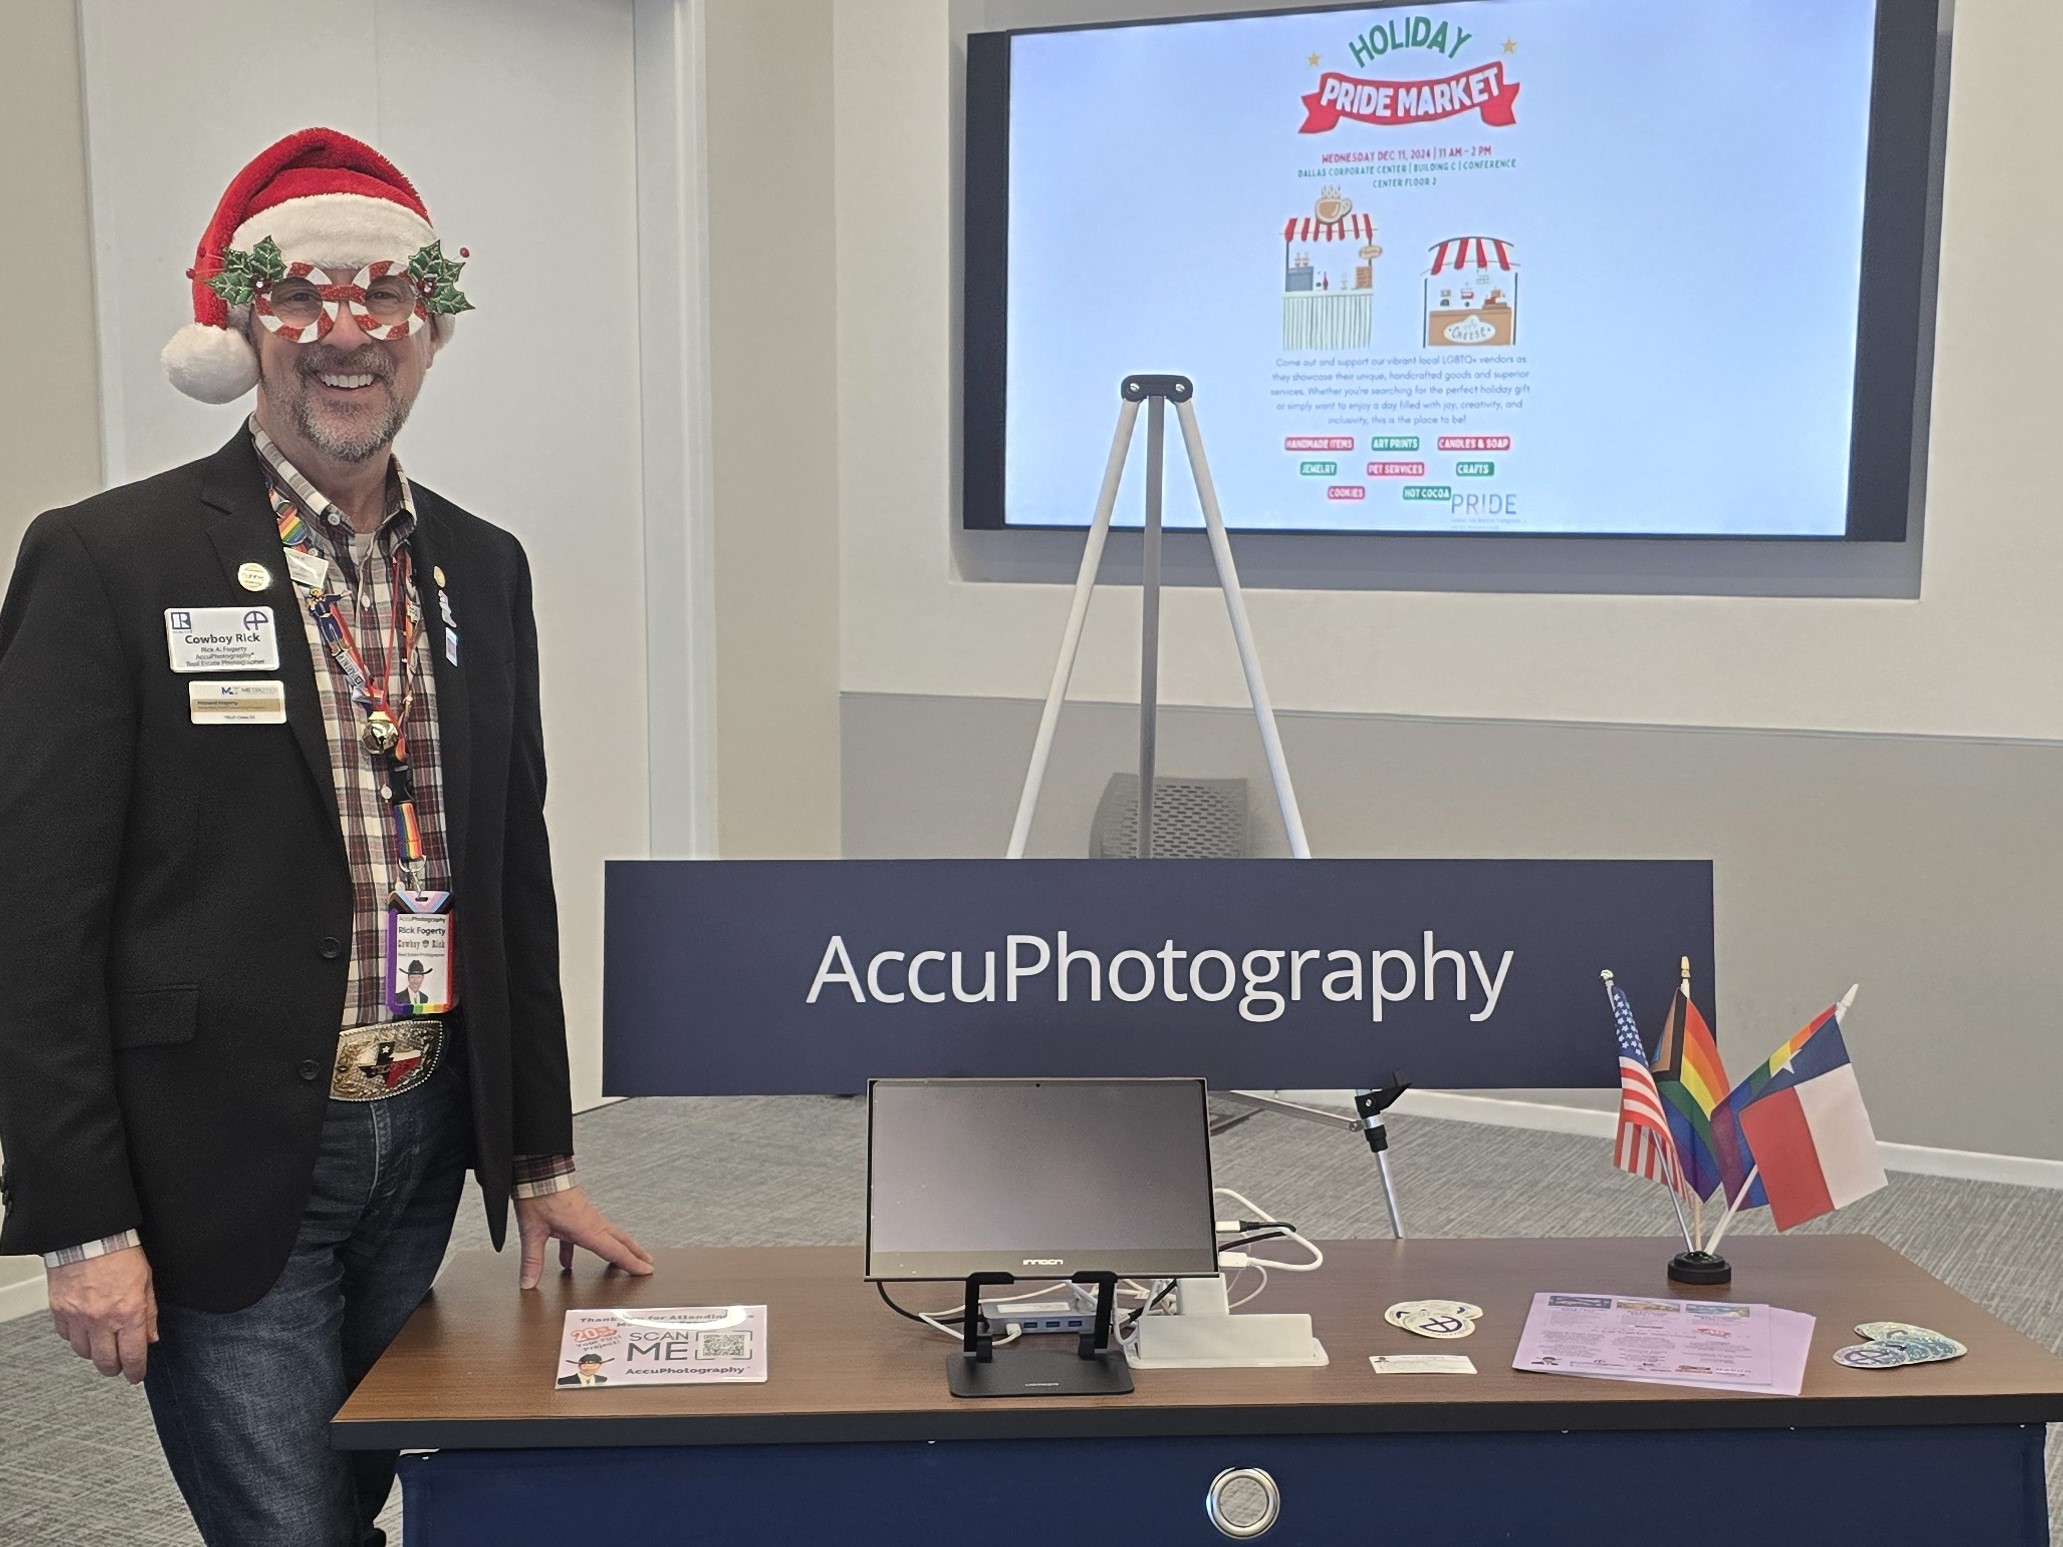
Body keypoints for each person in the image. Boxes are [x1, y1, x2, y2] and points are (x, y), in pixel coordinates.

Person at [0, 128, 654, 1546]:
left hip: (423, 1140)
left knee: (376, 1483)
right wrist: (79, 1223)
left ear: (430, 328)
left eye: (386, 301)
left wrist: (537, 1152)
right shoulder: (114, 560)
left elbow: (506, 877)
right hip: (226, 1155)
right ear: (241, 327)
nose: (346, 337)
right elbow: (34, 918)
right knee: (292, 1527)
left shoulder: (480, 563)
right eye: (302, 297)